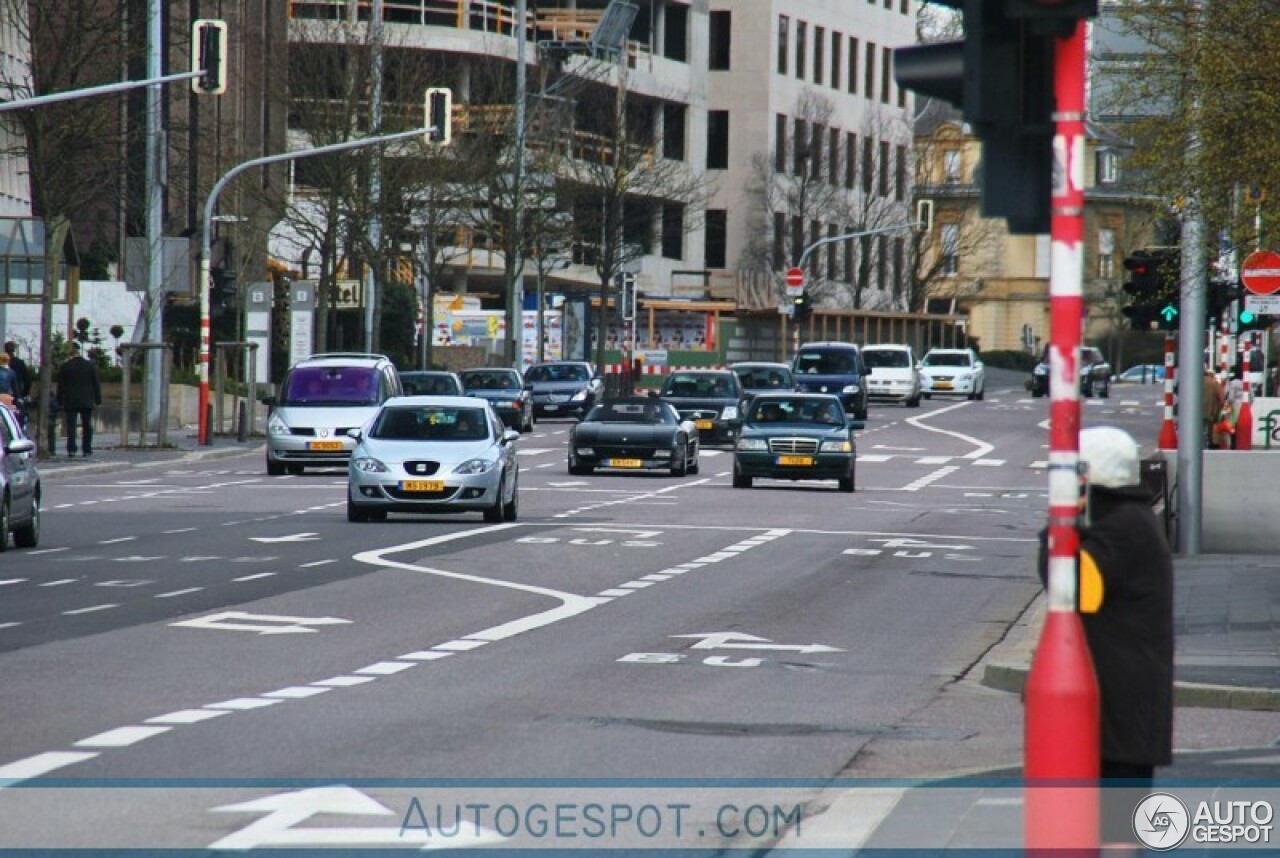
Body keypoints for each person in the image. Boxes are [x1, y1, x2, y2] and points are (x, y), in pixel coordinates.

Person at [1039, 426, 1174, 850]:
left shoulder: (1123, 528)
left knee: (1116, 830)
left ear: (1091, 478)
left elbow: (1075, 587)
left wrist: (1058, 527)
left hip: (1121, 704)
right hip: (1120, 701)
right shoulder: (1129, 522)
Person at [57, 343, 102, 457]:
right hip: (86, 400)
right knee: (87, 425)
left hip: (70, 400)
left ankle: (71, 449)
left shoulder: (65, 366)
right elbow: (96, 384)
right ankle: (87, 449)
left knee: (71, 426)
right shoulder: (89, 366)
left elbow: (61, 385)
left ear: (70, 356)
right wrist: (98, 400)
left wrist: (59, 400)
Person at [1202, 368, 1225, 449]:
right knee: (1205, 430)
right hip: (1208, 411)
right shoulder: (1213, 383)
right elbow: (1221, 398)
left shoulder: (1193, 382)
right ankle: (1204, 448)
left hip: (1193, 411)